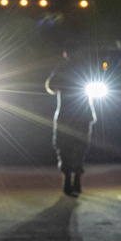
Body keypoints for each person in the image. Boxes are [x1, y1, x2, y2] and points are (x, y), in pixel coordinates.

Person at [45, 40, 100, 196]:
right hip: (75, 115)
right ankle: (71, 179)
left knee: (72, 147)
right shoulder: (78, 68)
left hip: (72, 115)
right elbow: (51, 85)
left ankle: (72, 179)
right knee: (73, 147)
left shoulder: (75, 68)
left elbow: (50, 87)